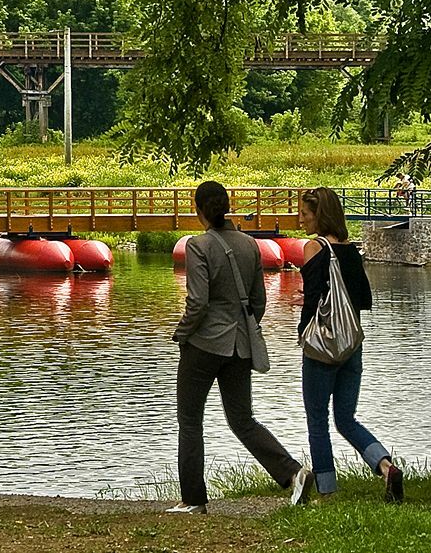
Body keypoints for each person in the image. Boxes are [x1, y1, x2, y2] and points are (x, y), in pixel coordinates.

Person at [169, 180, 308, 514]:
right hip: (239, 347)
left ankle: (193, 500)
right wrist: (242, 329)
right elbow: (258, 302)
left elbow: (197, 302)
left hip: (203, 345)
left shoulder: (197, 245)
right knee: (243, 420)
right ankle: (293, 472)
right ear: (227, 206)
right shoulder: (250, 245)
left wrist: (182, 333)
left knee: (190, 420)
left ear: (198, 209)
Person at [294, 185, 403, 504]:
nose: (301, 220)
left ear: (319, 215)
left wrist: (304, 334)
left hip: (323, 346)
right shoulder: (350, 249)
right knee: (346, 418)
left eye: (305, 214)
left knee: (317, 418)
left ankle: (327, 491)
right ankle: (386, 467)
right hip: (352, 345)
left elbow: (312, 300)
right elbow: (364, 299)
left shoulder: (314, 248)